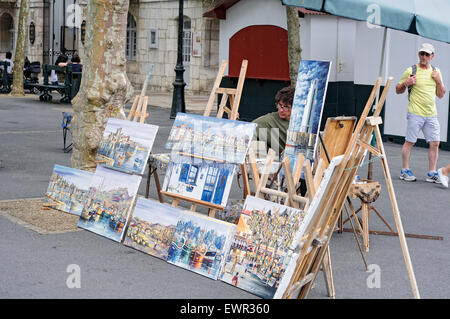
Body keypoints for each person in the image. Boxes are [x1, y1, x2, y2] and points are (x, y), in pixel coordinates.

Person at [395, 43, 446, 183]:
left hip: (431, 114)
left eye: (427, 54)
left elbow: (441, 94)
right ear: (419, 54)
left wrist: (438, 80)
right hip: (415, 112)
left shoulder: (436, 72)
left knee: (435, 143)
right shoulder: (411, 70)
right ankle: (405, 170)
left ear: (432, 56)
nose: (424, 57)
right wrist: (406, 83)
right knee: (410, 142)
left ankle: (432, 172)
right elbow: (397, 90)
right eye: (422, 54)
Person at [252, 86, 295, 154]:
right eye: (280, 105)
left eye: (286, 107)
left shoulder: (301, 122)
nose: (281, 110)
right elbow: (251, 129)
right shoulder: (268, 121)